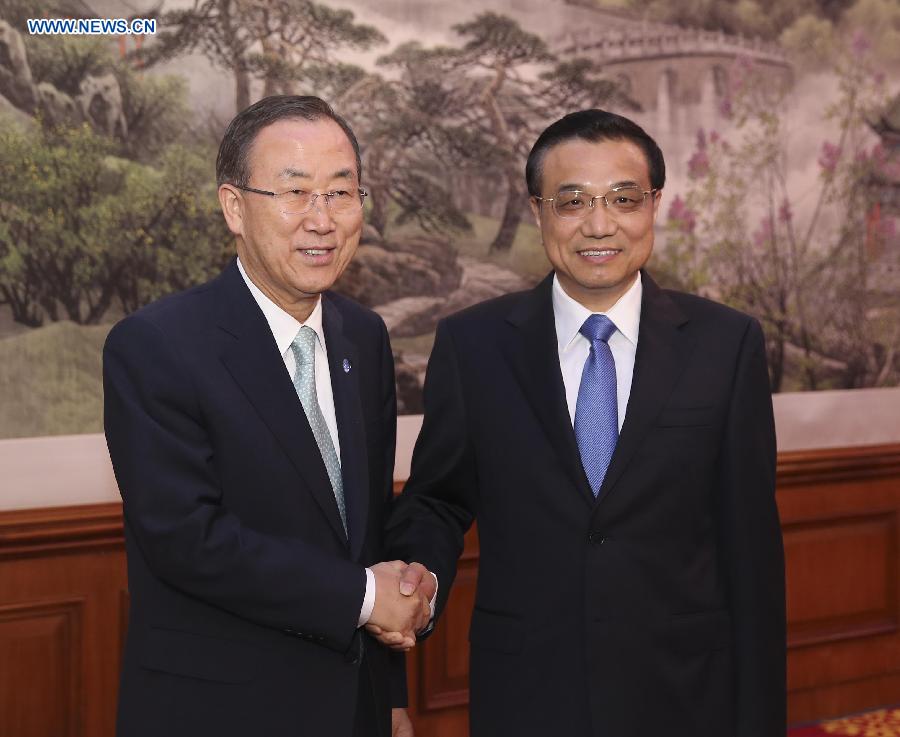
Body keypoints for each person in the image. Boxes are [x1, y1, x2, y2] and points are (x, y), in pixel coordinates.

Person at [382, 109, 786, 737]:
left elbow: (751, 549)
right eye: (572, 202)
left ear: (653, 204)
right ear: (539, 210)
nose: (601, 224)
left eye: (624, 199)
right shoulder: (474, 345)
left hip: (685, 693)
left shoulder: (726, 344)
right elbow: (437, 498)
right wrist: (417, 578)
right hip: (527, 693)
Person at [103, 95, 433, 737]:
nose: (322, 220)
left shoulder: (363, 337)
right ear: (234, 207)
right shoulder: (157, 344)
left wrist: (390, 699)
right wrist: (366, 599)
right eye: (294, 192)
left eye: (341, 193)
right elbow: (186, 540)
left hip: (353, 707)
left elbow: (368, 535)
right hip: (222, 710)